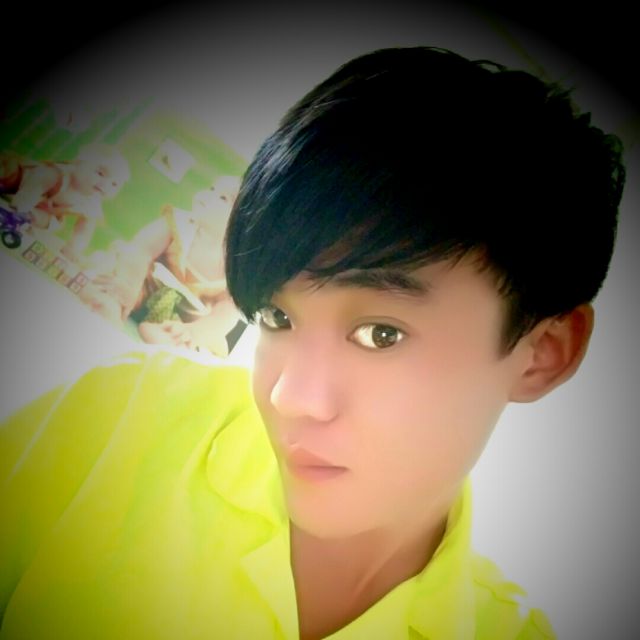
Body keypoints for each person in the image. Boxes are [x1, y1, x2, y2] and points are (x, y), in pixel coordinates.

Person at [0, 46, 625, 639]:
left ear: (543, 353)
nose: (290, 397)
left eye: (380, 334)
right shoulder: (120, 421)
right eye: (276, 317)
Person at [81, 174, 245, 357]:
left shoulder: (234, 270)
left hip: (182, 320)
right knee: (111, 285)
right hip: (143, 288)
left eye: (222, 198)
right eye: (211, 189)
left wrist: (195, 332)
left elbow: (226, 313)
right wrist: (127, 287)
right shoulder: (180, 224)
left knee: (199, 346)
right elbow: (141, 250)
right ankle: (112, 308)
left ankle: (164, 340)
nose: (207, 195)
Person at [0, 143, 130, 262]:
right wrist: (20, 206)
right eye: (100, 173)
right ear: (78, 163)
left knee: (56, 223)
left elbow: (84, 229)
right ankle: (18, 210)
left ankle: (27, 217)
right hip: (20, 184)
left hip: (41, 207)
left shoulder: (93, 201)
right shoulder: (58, 174)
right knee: (9, 172)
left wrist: (74, 248)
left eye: (114, 184)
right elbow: (35, 185)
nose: (105, 184)